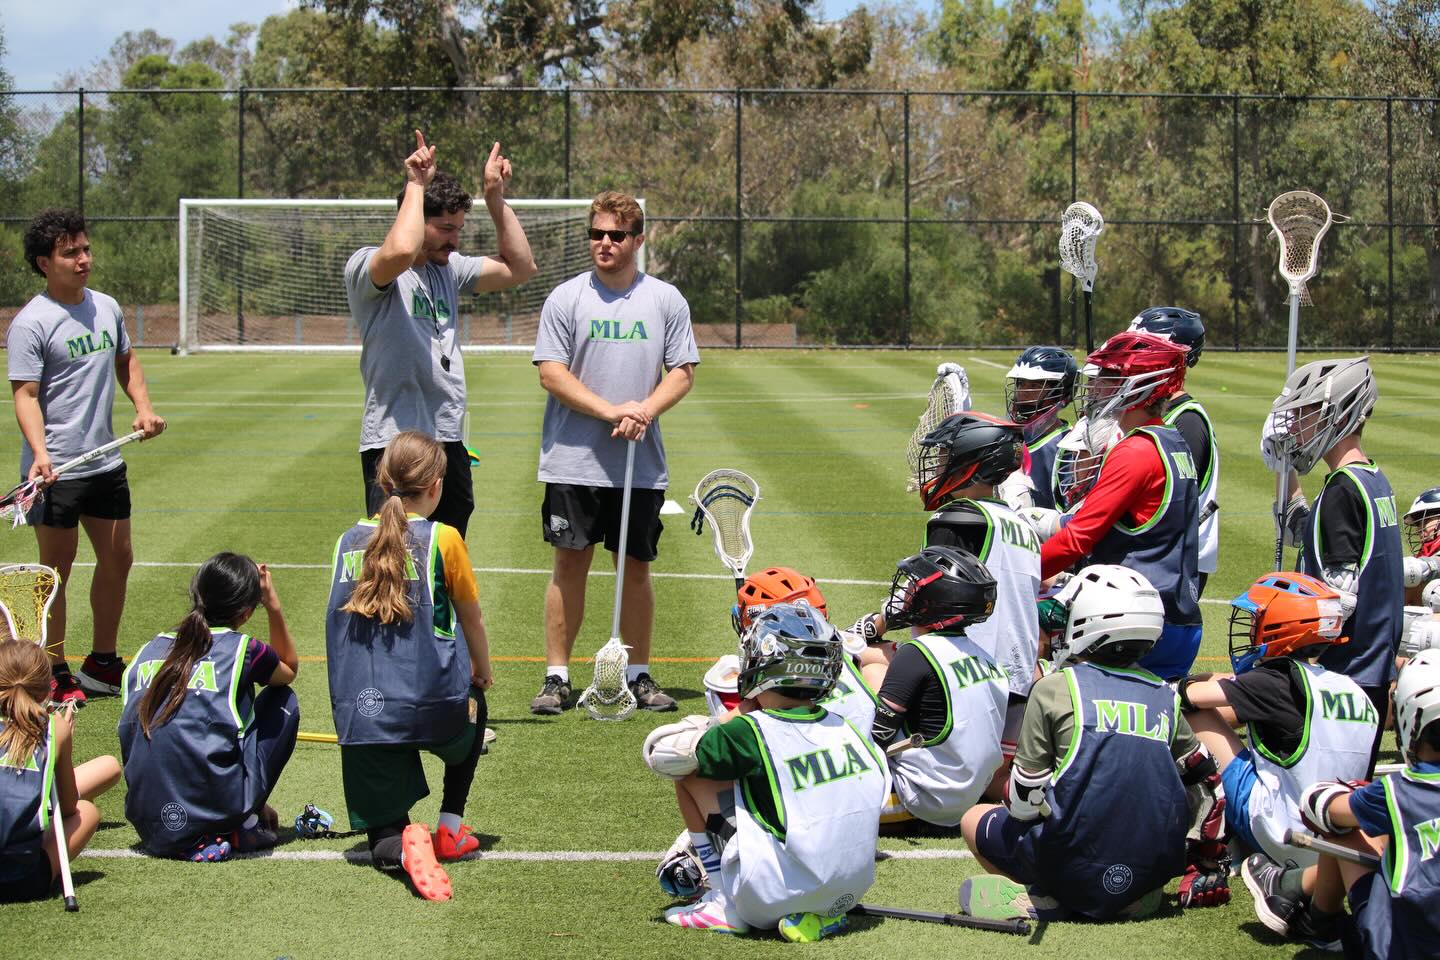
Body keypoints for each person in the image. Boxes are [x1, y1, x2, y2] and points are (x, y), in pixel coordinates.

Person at [959, 565, 1214, 922]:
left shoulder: (1054, 687)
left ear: (1089, 625)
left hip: (1068, 856)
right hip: (1147, 867)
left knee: (974, 818)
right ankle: (1125, 894)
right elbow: (1204, 779)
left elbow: (1023, 798)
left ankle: (1045, 896)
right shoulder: (1165, 696)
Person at [530, 191, 699, 715]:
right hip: (573, 460)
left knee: (635, 568)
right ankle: (557, 678)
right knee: (569, 563)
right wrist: (610, 411)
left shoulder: (666, 300)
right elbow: (551, 372)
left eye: (616, 235)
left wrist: (644, 410)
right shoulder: (565, 298)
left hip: (639, 463)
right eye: (597, 234)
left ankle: (638, 673)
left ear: (637, 241)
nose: (604, 243)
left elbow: (682, 371)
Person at [652, 603, 890, 941]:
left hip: (769, 897)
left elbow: (661, 755)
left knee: (691, 773)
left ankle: (722, 902)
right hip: (850, 892)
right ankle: (822, 912)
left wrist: (724, 719)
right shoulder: (848, 728)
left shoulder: (749, 730)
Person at [325, 431, 494, 902]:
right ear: (437, 486)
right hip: (435, 708)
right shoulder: (444, 537)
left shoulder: (346, 541)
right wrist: (481, 670)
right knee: (476, 701)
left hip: (364, 715)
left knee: (380, 839)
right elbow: (471, 618)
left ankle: (403, 843)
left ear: (381, 481)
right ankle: (449, 827)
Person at [7, 208, 167, 705]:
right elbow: (26, 395)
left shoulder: (106, 307)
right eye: (70, 252)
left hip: (105, 463)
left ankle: (101, 663)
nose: (83, 259)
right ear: (43, 262)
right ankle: (52, 668)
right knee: (56, 573)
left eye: (85, 249)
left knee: (118, 558)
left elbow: (126, 359)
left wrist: (142, 407)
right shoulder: (31, 323)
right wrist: (39, 454)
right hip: (57, 471)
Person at [344, 130, 537, 538]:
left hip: (448, 440)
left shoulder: (448, 269)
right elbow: (399, 251)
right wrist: (416, 185)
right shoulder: (369, 265)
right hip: (394, 443)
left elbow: (520, 267)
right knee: (396, 564)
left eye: (459, 228)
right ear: (415, 217)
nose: (456, 239)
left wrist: (495, 199)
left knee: (448, 557)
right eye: (446, 228)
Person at [1242, 650, 1440, 955]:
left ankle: (1317, 917)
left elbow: (1319, 808)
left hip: (1400, 947)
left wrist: (1346, 792)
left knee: (1345, 829)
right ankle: (1295, 892)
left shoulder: (1401, 791)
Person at [1033, 332, 1201, 680]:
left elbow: (1078, 538)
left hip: (1135, 620)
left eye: (1110, 379)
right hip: (1179, 616)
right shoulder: (1173, 441)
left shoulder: (1136, 451)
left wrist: (1023, 570)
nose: (1096, 388)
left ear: (1141, 387)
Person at [1178, 572, 1374, 871]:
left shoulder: (1277, 679)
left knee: (1195, 713)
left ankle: (1208, 831)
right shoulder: (1351, 688)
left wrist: (1183, 683)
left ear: (1281, 625)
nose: (1251, 628)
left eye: (1257, 620)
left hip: (1282, 833)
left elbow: (1188, 697)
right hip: (1338, 843)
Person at [1265, 357, 1403, 771]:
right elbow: (1309, 535)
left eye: (1305, 414)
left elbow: (1338, 602)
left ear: (1337, 414)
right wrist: (1284, 471)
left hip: (1346, 680)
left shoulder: (1342, 492)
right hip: (1372, 673)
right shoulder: (1372, 480)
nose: (1296, 426)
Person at [117, 553, 298, 862]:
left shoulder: (149, 648)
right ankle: (241, 819)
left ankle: (209, 821)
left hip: (147, 818)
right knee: (283, 700)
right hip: (213, 808)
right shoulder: (244, 648)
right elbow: (288, 669)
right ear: (244, 613)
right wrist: (273, 605)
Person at [864, 546, 1009, 827]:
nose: (906, 593)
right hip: (968, 796)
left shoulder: (916, 653)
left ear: (934, 601)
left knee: (870, 675)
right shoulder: (987, 659)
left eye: (914, 588)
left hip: (922, 802)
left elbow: (876, 736)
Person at [0, 640, 120, 903]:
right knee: (86, 811)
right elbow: (68, 808)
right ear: (46, 690)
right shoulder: (54, 728)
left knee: (108, 767)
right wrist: (60, 741)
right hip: (21, 881)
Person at [1129, 307, 1220, 596]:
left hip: (1177, 564)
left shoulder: (1188, 421)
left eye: (1142, 349)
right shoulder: (1154, 412)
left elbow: (1170, 502)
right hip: (1158, 557)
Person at [1002, 347, 1078, 510]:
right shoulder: (1005, 435)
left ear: (1059, 391)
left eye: (1035, 385)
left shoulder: (1068, 447)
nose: (1023, 391)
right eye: (1021, 383)